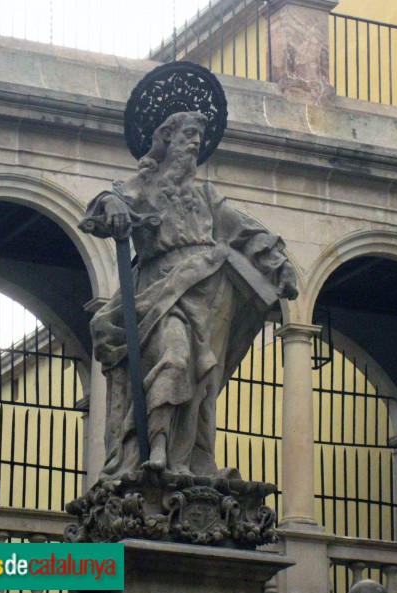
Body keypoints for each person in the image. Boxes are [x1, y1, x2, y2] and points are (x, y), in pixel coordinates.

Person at [84, 111, 298, 478]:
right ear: (167, 140)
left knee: (203, 381)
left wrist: (278, 262)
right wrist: (113, 206)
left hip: (211, 290)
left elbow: (243, 229)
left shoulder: (205, 196)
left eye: (199, 140)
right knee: (176, 358)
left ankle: (189, 460)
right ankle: (158, 448)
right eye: (188, 136)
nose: (195, 145)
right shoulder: (145, 185)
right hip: (163, 287)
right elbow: (106, 202)